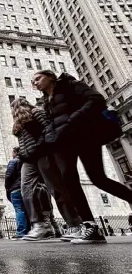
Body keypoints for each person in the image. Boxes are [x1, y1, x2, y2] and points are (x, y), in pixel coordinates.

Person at [33, 70, 132, 244]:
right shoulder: (45, 101)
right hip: (63, 142)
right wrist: (46, 139)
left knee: (98, 179)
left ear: (50, 76)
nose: (35, 82)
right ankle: (90, 226)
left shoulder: (70, 85)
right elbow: (51, 123)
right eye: (33, 81)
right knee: (69, 180)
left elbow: (96, 100)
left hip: (85, 135)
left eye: (38, 78)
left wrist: (72, 121)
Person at [10, 98, 82, 241]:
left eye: (13, 108)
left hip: (43, 154)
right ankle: (40, 225)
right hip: (27, 159)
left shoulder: (36, 112)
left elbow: (49, 130)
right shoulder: (18, 123)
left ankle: (75, 224)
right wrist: (24, 155)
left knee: (56, 188)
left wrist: (42, 147)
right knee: (26, 189)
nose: (12, 111)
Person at [4, 147, 28, 239]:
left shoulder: (13, 162)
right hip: (25, 188)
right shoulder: (25, 162)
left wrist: (7, 188)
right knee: (26, 210)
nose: (11, 154)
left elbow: (8, 176)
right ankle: (28, 230)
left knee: (19, 210)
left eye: (12, 152)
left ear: (15, 152)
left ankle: (21, 232)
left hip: (15, 189)